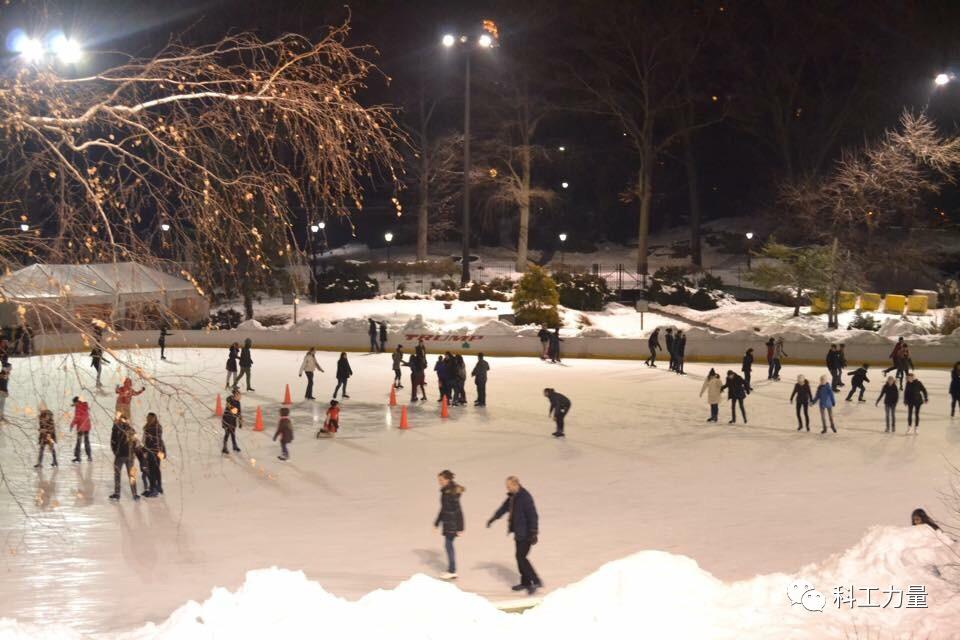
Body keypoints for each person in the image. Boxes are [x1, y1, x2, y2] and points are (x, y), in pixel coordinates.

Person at [486, 476, 541, 595]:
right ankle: (526, 582)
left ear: (516, 485)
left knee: (521, 558)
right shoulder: (513, 497)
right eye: (507, 486)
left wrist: (534, 532)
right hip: (519, 532)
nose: (507, 488)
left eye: (509, 486)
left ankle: (535, 581)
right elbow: (503, 508)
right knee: (519, 557)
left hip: (526, 533)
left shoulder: (525, 497)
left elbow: (533, 515)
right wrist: (494, 518)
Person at [434, 470, 465, 580]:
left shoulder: (451, 493)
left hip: (452, 524)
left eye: (441, 480)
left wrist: (460, 527)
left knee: (448, 545)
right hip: (448, 522)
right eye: (439, 480)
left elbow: (458, 510)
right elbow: (444, 508)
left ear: (447, 480)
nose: (439, 482)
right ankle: (452, 570)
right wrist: (437, 522)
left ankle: (452, 571)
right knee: (448, 545)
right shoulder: (446, 491)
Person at [109, 416, 140, 500]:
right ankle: (135, 494)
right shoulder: (132, 430)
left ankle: (117, 494)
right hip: (129, 456)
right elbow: (136, 443)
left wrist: (116, 452)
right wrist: (133, 453)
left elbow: (113, 442)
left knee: (117, 474)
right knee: (131, 475)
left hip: (120, 456)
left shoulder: (116, 430)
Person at [141, 412, 166, 497]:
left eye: (148, 418)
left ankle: (154, 489)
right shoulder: (156, 427)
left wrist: (145, 450)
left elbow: (150, 441)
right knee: (155, 469)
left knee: (152, 470)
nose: (147, 419)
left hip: (153, 452)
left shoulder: (152, 428)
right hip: (157, 451)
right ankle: (157, 487)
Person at [70, 396, 93, 463]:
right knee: (87, 441)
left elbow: (77, 417)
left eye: (74, 403)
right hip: (87, 426)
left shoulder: (78, 407)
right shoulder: (84, 405)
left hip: (81, 427)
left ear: (76, 402)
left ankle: (78, 457)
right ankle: (89, 456)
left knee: (78, 442)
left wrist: (72, 424)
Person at [221, 387, 242, 454]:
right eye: (238, 395)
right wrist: (236, 412)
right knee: (227, 433)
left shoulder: (238, 403)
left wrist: (240, 421)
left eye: (240, 395)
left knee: (233, 433)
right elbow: (233, 410)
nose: (240, 396)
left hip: (233, 420)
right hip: (227, 419)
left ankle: (234, 446)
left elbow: (239, 412)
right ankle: (224, 447)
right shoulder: (230, 401)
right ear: (235, 395)